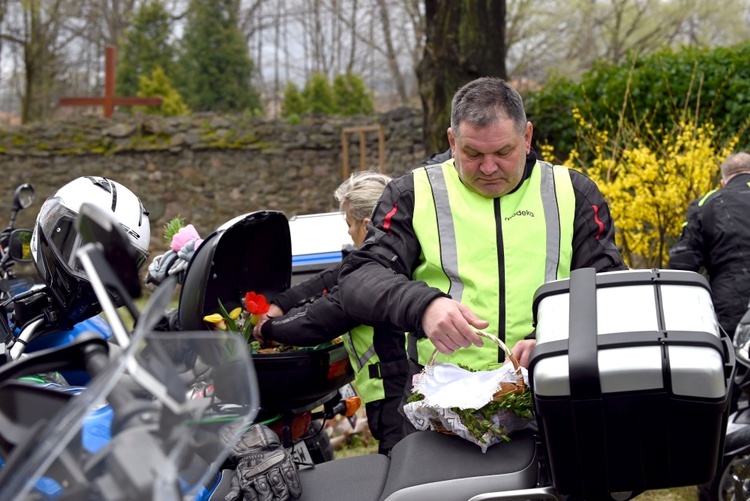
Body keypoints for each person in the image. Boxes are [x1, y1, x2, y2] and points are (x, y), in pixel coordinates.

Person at [337, 77, 627, 410]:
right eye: (473, 153)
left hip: (550, 390)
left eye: (504, 152)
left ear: (527, 137)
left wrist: (555, 339)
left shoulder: (572, 193)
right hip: (442, 400)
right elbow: (358, 279)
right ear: (452, 141)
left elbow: (607, 287)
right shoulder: (413, 193)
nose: (489, 168)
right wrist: (424, 306)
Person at [253, 170, 407, 456]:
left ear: (366, 224)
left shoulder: (377, 273)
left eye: (349, 223)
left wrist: (267, 329)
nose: (348, 231)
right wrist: (284, 302)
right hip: (400, 387)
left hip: (394, 395)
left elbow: (320, 320)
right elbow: (334, 276)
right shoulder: (400, 250)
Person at [669, 152, 750, 338]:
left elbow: (683, 262)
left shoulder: (706, 203)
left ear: (723, 182)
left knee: (735, 364)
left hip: (732, 308)